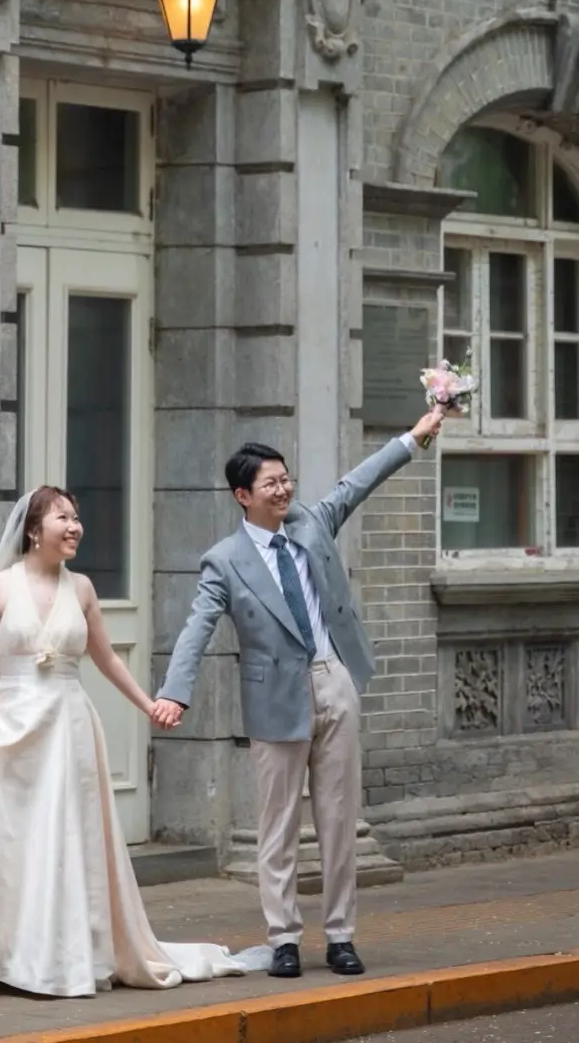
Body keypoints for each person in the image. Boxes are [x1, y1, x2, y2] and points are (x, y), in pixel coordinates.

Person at [153, 404, 445, 979]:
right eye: (271, 483)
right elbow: (197, 627)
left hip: (334, 679)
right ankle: (284, 938)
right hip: (275, 700)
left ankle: (340, 936)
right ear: (243, 495)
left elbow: (358, 481)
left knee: (339, 820)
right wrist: (175, 692)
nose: (284, 489)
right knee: (278, 825)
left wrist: (414, 436)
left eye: (286, 479)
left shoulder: (312, 522)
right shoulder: (225, 562)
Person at [0, 485, 250, 998]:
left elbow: (107, 659)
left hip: (68, 725)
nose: (75, 527)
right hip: (12, 726)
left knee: (65, 838)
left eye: (77, 518)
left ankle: (62, 953)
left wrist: (149, 704)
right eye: (63, 518)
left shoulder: (82, 590)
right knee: (12, 840)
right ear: (34, 529)